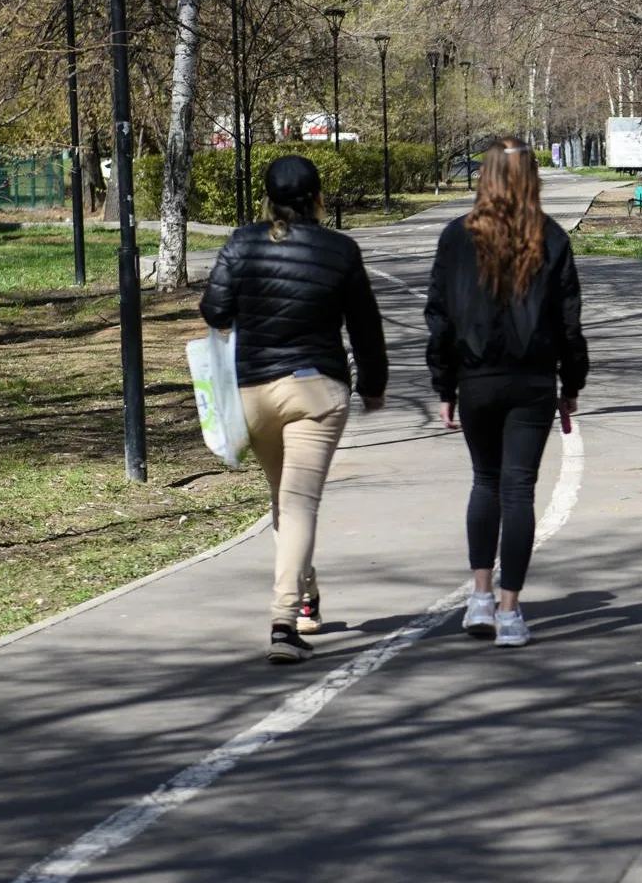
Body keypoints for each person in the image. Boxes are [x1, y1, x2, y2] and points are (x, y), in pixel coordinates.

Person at [201, 155, 388, 663]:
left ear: (268, 197)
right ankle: (285, 622)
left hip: (254, 394)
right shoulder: (340, 250)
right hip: (316, 394)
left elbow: (214, 310)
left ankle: (306, 600)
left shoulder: (242, 243)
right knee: (299, 502)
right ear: (317, 196)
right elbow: (365, 325)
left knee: (284, 501)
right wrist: (373, 385)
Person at [426, 137, 587, 648]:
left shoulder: (457, 237)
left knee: (485, 481)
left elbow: (440, 316)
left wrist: (444, 383)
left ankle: (479, 596)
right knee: (519, 489)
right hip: (533, 380)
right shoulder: (551, 237)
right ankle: (511, 611)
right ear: (532, 179)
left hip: (476, 379)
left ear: (486, 177)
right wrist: (571, 383)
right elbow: (569, 321)